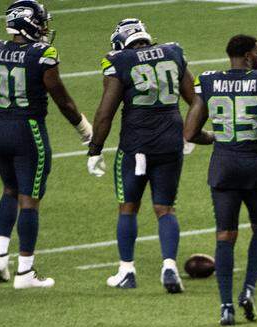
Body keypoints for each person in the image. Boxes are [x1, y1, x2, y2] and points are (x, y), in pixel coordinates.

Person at [0, 0, 92, 289]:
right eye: (40, 22)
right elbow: (62, 99)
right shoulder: (42, 55)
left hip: (0, 126)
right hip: (28, 129)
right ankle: (25, 272)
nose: (44, 27)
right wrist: (83, 128)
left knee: (9, 190)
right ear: (28, 23)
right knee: (29, 198)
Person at [183, 35, 257, 326]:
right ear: (246, 55)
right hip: (256, 167)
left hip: (223, 167)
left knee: (224, 236)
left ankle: (226, 306)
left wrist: (216, 137)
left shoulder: (208, 80)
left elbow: (190, 132)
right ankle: (248, 289)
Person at [87, 18, 197, 294]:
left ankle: (127, 271)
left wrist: (95, 148)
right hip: (171, 142)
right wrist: (192, 132)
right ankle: (169, 266)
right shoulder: (173, 52)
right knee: (165, 209)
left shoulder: (119, 60)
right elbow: (195, 99)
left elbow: (105, 112)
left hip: (136, 145)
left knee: (128, 207)